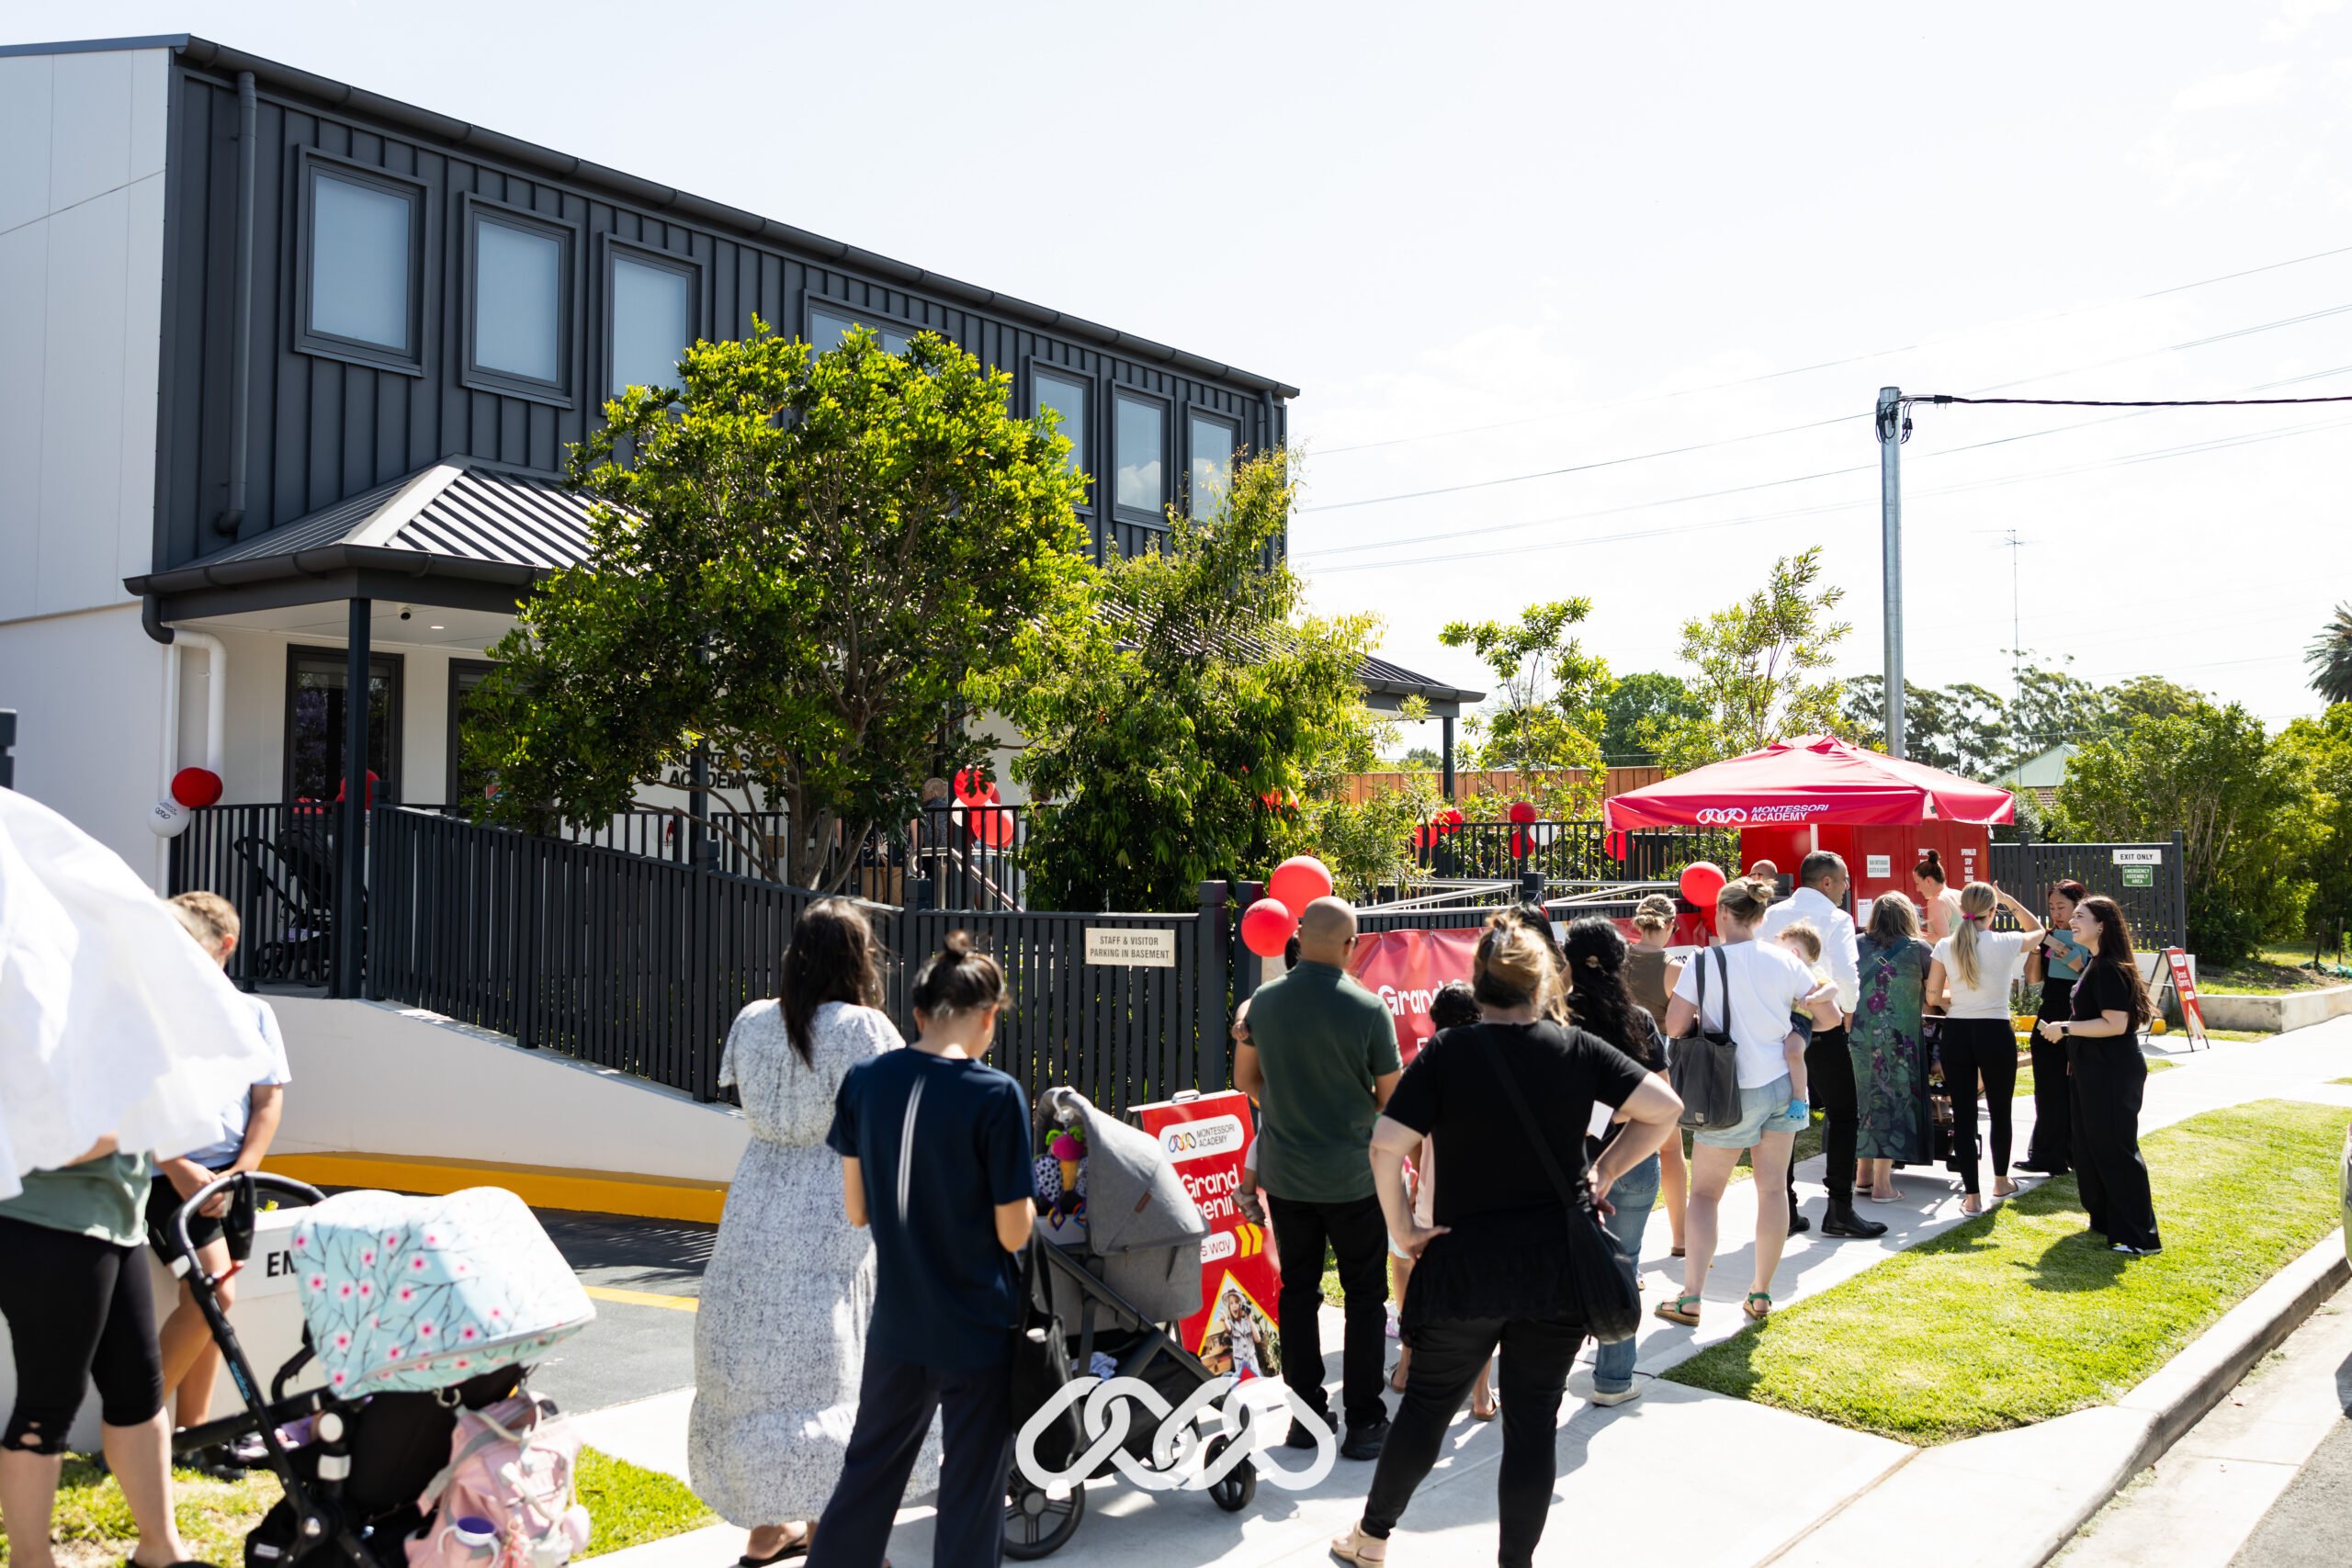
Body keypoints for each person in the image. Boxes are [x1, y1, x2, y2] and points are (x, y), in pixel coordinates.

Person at [1331, 923, 1683, 1568]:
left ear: (1477, 984)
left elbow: (1385, 1144)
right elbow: (1664, 1106)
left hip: (1464, 1266)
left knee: (1426, 1412)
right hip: (1555, 1267)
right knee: (1532, 1421)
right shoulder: (1575, 1048)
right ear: (1545, 983)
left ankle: (1373, 1537)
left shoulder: (1447, 1053)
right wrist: (1602, 1172)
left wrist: (1404, 1231)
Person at [691, 899, 924, 1566]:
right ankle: (832, 1537)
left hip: (756, 1201)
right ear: (856, 958)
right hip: (831, 1203)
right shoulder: (863, 1027)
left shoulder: (755, 1019)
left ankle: (768, 1529)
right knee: (830, 1370)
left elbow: (747, 1101)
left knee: (760, 1368)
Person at [808, 936, 1035, 1568]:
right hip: (976, 1327)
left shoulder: (865, 1081)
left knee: (867, 1479)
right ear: (989, 1015)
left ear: (918, 1012)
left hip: (898, 1324)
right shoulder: (995, 1095)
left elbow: (858, 1211)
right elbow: (1014, 1232)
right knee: (970, 1493)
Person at [1231, 897, 1402, 1460]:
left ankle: (1306, 1420)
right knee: (1364, 1297)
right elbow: (1391, 1101)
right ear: (1351, 946)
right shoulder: (1368, 1009)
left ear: (1299, 936)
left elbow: (1246, 1081)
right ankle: (1365, 1422)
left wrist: (1288, 1108)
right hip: (1353, 1176)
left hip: (1286, 1174)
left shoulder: (1264, 1004)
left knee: (1298, 1294)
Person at [0, 1133, 195, 1568]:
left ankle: (160, 1551)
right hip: (44, 1223)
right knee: (46, 1407)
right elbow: (42, 1138)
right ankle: (30, 1562)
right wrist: (139, 1120)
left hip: (118, 1221)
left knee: (139, 1395)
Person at [148, 893, 293, 1468]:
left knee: (211, 1301)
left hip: (232, 1183)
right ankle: (135, 1429)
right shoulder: (151, 1016)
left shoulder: (256, 1015)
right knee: (215, 1291)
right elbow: (139, 1103)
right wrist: (181, 1170)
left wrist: (241, 1172)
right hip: (169, 1177)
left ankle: (194, 1436)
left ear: (224, 946)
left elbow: (268, 1098)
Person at [1656, 877, 1839, 1327]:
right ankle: (1760, 1293)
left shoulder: (1701, 963)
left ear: (1720, 912)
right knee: (1773, 1189)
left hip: (1728, 1088)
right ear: (1760, 918)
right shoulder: (1786, 959)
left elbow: (1675, 1027)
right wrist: (1793, 1033)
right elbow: (1831, 1018)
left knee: (1704, 1193)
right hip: (1780, 1085)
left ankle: (1692, 1295)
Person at [1562, 916, 1670, 1408]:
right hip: (1634, 1158)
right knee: (1621, 1267)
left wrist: (1595, 1111)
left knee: (1561, 1272)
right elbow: (1666, 1098)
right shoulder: (1640, 1020)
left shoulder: (1555, 1024)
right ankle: (1613, 1380)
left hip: (1572, 1164)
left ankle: (1548, 1375)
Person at [1758, 852, 1883, 1240]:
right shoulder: (1837, 918)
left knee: (1786, 1114)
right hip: (1822, 1026)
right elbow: (1848, 974)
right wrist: (1845, 1010)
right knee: (1844, 1112)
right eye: (1844, 880)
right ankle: (1840, 1209)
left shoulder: (1772, 914)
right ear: (1827, 882)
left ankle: (1788, 1206)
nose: (1847, 888)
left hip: (1777, 1027)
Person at [1385, 982, 1496, 1422]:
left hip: (1433, 1202)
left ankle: (1406, 1369)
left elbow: (1404, 1137)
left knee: (1419, 1286)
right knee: (1483, 1302)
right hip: (1488, 1207)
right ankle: (1482, 1395)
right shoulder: (1499, 1066)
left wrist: (1418, 1175)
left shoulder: (1426, 1067)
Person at [2041, 897, 2163, 1255]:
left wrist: (2065, 1028)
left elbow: (2115, 1024)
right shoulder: (2096, 964)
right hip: (2090, 1070)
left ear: (2102, 926)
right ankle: (2107, 1220)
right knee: (2089, 1148)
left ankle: (2140, 1236)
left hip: (2111, 1073)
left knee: (2115, 1150)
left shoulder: (2109, 967)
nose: (2072, 921)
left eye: (2080, 916)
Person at [1928, 883, 2043, 1213]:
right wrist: (2010, 901)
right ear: (1992, 911)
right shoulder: (2007, 942)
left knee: (1962, 1115)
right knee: (2000, 1111)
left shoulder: (1946, 946)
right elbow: (2039, 931)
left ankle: (1972, 1197)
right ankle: (2001, 1180)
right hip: (1995, 1031)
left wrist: (1963, 1000)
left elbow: (1933, 998)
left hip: (1958, 1032)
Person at [1849, 892, 1934, 1202]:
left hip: (1858, 1039)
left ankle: (1862, 1176)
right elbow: (1935, 994)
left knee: (1864, 1100)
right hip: (1900, 1041)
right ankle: (1883, 1186)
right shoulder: (1920, 950)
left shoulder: (1855, 946)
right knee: (1892, 1102)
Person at [1627, 894, 1690, 1258]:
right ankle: (1680, 1238)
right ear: (1670, 925)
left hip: (1616, 1062)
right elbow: (1682, 1025)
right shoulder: (1673, 969)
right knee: (1671, 1151)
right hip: (1658, 1065)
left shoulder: (1616, 960)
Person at [2019, 880, 2093, 1177]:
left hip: (2078, 1020)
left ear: (2079, 906)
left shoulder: (2093, 939)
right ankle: (2047, 1154)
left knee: (2075, 1091)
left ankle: (2074, 1152)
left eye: (2062, 907)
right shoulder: (2048, 936)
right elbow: (2033, 979)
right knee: (2047, 1088)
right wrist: (2038, 949)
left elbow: (2093, 978)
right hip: (2048, 1016)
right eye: (2052, 907)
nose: (2056, 913)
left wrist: (2073, 959)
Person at [1915, 850, 1964, 943]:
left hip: (1947, 957)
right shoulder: (1961, 894)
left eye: (1917, 883)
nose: (1917, 889)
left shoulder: (1936, 902)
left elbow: (1942, 939)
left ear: (1928, 881)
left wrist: (1913, 934)